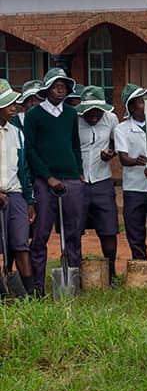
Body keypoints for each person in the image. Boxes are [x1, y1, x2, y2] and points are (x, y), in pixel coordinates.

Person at [24, 68, 84, 296]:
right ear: (46, 89)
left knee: (73, 232)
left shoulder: (70, 114)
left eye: (64, 87)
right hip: (44, 181)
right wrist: (48, 177)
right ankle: (37, 287)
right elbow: (30, 149)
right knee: (40, 234)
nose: (61, 90)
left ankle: (72, 285)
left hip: (71, 180)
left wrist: (78, 171)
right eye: (56, 86)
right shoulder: (34, 116)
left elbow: (75, 144)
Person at [75, 86, 120, 284]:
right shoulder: (73, 121)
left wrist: (111, 152)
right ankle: (75, 271)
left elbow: (116, 143)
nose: (94, 116)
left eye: (98, 112)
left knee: (108, 228)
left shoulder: (111, 120)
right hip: (79, 181)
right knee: (75, 228)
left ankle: (110, 273)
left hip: (102, 180)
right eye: (89, 113)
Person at [115, 84, 147, 262]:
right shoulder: (122, 129)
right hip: (134, 188)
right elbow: (123, 158)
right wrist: (136, 160)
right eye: (141, 102)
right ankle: (140, 265)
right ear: (132, 107)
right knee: (135, 229)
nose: (146, 105)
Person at [0, 79, 35, 292]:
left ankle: (29, 293)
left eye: (15, 103)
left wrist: (29, 200)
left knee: (21, 244)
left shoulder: (17, 133)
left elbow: (25, 169)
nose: (14, 108)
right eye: (8, 104)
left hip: (15, 195)